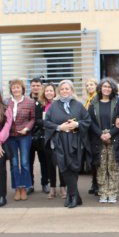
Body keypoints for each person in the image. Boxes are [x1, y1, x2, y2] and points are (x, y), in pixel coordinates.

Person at [43, 80, 91, 208]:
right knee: (64, 167)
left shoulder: (78, 105)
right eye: (62, 89)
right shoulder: (54, 105)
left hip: (75, 141)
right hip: (60, 142)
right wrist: (59, 127)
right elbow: (46, 122)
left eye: (67, 89)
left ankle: (72, 196)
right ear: (59, 91)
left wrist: (77, 124)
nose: (64, 91)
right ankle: (74, 195)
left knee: (73, 167)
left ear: (72, 90)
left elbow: (87, 120)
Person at [88, 78, 119, 203]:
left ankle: (113, 193)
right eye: (104, 86)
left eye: (109, 87)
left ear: (113, 89)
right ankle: (103, 193)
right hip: (98, 140)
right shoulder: (94, 103)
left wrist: (110, 134)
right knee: (101, 167)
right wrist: (101, 134)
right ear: (100, 88)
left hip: (114, 139)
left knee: (113, 167)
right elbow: (90, 122)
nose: (107, 89)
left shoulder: (117, 102)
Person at [6, 79, 35, 201]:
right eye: (13, 88)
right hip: (10, 137)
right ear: (11, 90)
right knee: (13, 164)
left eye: (18, 87)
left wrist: (27, 128)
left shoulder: (30, 102)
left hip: (24, 136)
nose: (16, 90)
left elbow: (32, 118)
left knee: (24, 163)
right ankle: (17, 188)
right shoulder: (6, 102)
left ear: (22, 89)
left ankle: (25, 187)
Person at [38, 83, 64, 199]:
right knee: (50, 164)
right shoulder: (40, 105)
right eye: (47, 91)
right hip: (47, 138)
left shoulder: (60, 104)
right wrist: (47, 123)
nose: (49, 93)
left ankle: (63, 187)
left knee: (61, 163)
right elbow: (37, 120)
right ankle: (52, 188)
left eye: (51, 91)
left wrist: (51, 124)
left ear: (55, 92)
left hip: (60, 137)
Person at [29, 77, 50, 194]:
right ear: (30, 87)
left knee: (44, 161)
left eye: (38, 85)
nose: (36, 87)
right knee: (28, 161)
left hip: (42, 135)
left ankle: (45, 183)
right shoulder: (26, 100)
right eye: (33, 85)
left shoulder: (45, 100)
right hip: (28, 135)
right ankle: (30, 185)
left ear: (41, 86)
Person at [83, 78, 99, 195]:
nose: (89, 87)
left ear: (96, 85)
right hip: (89, 133)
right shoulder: (88, 99)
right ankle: (94, 183)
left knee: (98, 160)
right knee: (92, 160)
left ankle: (99, 184)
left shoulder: (97, 98)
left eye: (91, 84)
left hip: (96, 133)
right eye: (87, 85)